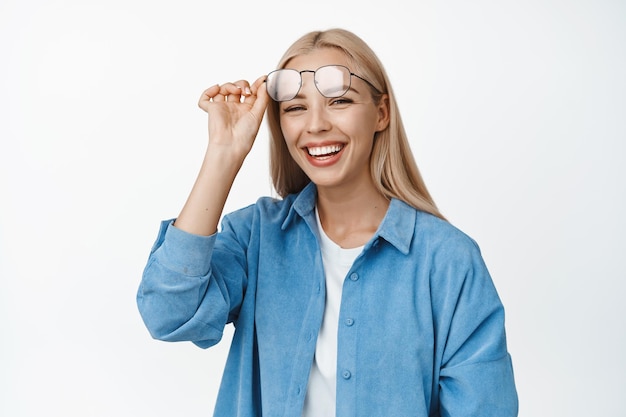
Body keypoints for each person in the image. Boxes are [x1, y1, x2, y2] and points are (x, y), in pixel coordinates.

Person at [137, 28, 518, 416]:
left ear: (381, 113)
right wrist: (224, 154)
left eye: (339, 101)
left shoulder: (448, 261)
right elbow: (169, 313)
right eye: (296, 108)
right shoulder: (257, 238)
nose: (316, 125)